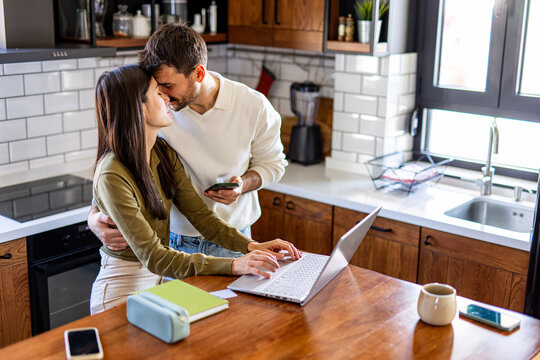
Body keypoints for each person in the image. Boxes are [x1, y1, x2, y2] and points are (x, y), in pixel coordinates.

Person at [90, 65, 300, 314]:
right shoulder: (113, 172)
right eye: (159, 92)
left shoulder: (162, 154)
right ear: (139, 107)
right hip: (122, 287)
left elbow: (201, 216)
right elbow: (155, 256)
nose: (167, 97)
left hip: (155, 281)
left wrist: (252, 246)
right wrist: (234, 265)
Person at [88, 23, 287, 258]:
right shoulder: (157, 111)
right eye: (157, 86)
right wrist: (93, 217)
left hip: (232, 240)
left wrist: (243, 184)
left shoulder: (254, 106)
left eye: (168, 86)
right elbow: (118, 165)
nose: (162, 95)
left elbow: (274, 164)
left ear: (199, 74)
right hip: (169, 241)